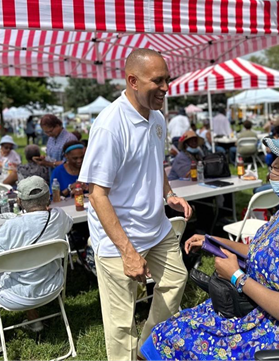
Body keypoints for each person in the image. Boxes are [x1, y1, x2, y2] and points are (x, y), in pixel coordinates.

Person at [141, 128, 279, 360]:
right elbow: (264, 252)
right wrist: (212, 240)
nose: (273, 164)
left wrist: (237, 277)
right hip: (267, 316)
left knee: (166, 337)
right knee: (169, 329)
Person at [79, 48, 192, 361]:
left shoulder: (157, 117)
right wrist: (128, 253)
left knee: (176, 281)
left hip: (155, 227)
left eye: (167, 79)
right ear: (132, 81)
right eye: (157, 81)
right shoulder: (109, 126)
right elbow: (96, 194)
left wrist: (169, 194)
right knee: (120, 322)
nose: (166, 88)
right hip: (119, 240)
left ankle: (146, 349)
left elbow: (155, 163)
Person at [0, 176, 73, 357]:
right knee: (29, 268)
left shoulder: (12, 226)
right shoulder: (59, 216)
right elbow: (69, 226)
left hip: (16, 296)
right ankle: (35, 320)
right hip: (53, 286)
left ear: (19, 201)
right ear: (48, 197)